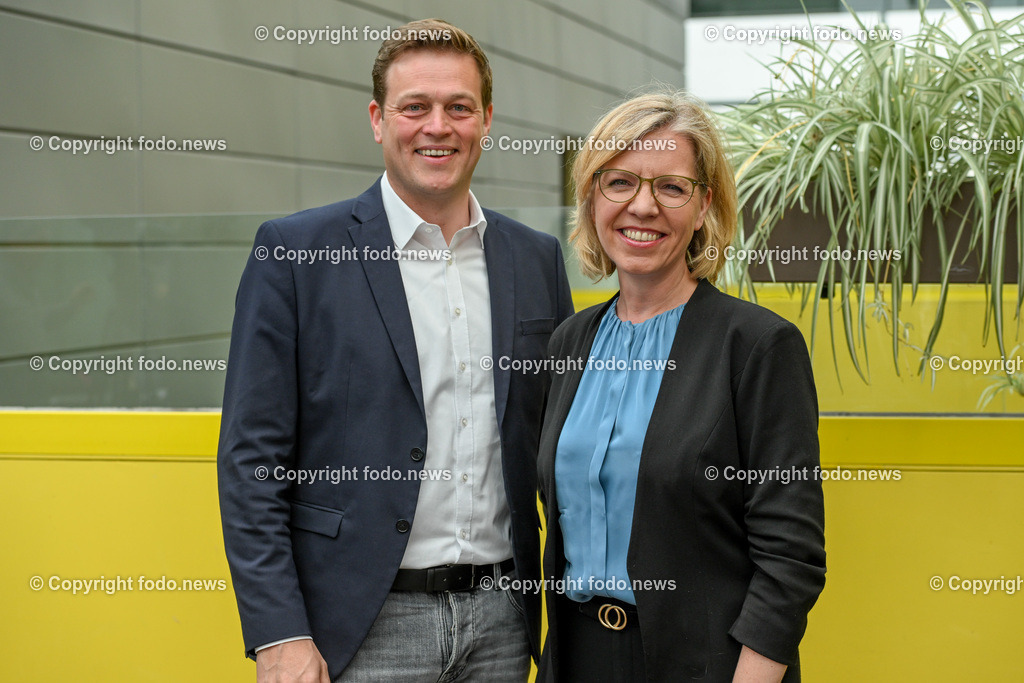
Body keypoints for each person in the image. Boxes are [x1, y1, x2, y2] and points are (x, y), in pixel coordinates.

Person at [218, 18, 574, 683]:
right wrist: (279, 632)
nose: (437, 126)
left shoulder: (536, 259)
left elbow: (558, 444)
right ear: (379, 120)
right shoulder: (295, 255)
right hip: (358, 627)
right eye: (416, 107)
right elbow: (251, 461)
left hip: (504, 622)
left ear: (486, 120)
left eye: (458, 107)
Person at [536, 91, 826, 682]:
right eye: (619, 183)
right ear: (592, 197)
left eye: (671, 187)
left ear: (704, 207)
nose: (643, 207)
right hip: (576, 657)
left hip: (707, 663)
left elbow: (791, 553)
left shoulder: (757, 346)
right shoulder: (571, 341)